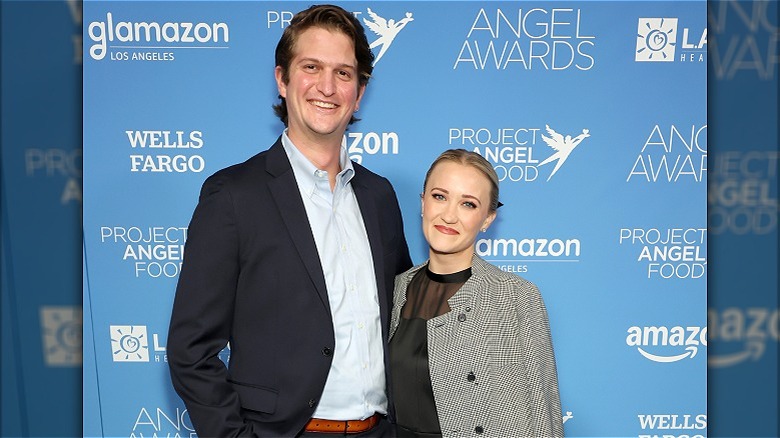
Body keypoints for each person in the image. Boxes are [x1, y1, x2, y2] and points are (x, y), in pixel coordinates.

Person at [167, 5, 412, 437]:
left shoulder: (379, 197)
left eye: (343, 73)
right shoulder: (234, 196)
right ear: (282, 79)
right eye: (311, 67)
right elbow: (191, 351)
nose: (327, 87)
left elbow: (401, 326)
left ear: (360, 89)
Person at [389, 149, 563, 438]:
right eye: (439, 196)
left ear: (487, 219)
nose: (449, 215)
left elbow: (543, 412)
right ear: (423, 203)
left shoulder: (516, 297)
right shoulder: (396, 288)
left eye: (468, 204)